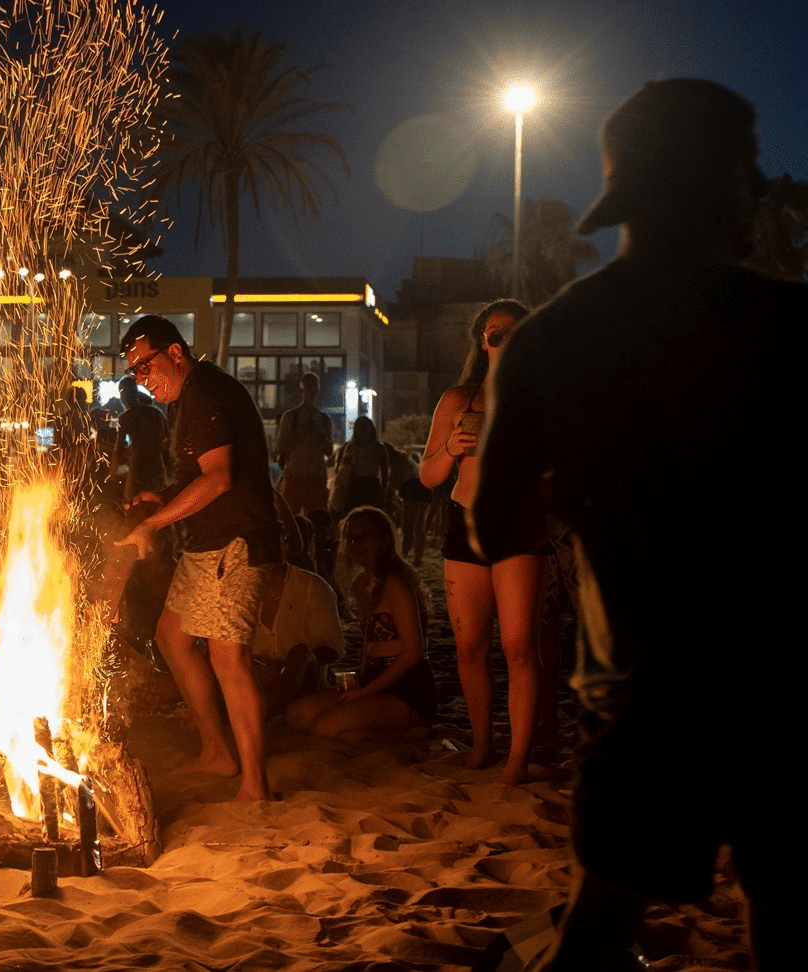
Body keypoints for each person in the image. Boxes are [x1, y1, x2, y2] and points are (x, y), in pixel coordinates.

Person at [473, 79, 801, 970]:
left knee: (601, 923)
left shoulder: (549, 341)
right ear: (698, 184)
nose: (760, 191)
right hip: (787, 699)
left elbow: (492, 524)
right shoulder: (791, 329)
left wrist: (591, 490)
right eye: (745, 172)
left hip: (645, 704)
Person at [113, 315, 284, 802]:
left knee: (230, 659)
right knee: (172, 636)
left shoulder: (207, 393)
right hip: (207, 543)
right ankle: (217, 752)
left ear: (175, 352)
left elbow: (219, 479)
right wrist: (160, 497)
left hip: (238, 541)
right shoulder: (186, 401)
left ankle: (255, 785)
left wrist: (155, 522)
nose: (144, 380)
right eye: (136, 374)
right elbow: (196, 477)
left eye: (147, 366)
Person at [418, 299, 542, 785]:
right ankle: (483, 744)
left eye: (514, 333)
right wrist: (450, 448)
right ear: (482, 342)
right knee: (469, 646)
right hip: (464, 520)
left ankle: (517, 761)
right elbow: (428, 475)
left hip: (518, 525)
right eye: (495, 333)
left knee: (518, 648)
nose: (503, 340)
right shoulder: (458, 400)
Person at [287, 507, 435, 739]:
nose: (356, 543)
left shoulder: (396, 582)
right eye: (350, 537)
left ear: (385, 539)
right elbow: (369, 645)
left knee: (323, 727)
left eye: (365, 535)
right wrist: (358, 682)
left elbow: (414, 652)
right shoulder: (361, 584)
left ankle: (408, 733)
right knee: (296, 714)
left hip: (406, 688)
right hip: (372, 678)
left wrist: (365, 692)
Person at [246, 555, 343, 717]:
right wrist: (255, 667)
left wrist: (287, 667)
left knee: (301, 653)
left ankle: (264, 713)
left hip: (304, 683)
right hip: (256, 680)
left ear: (283, 546)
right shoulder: (244, 591)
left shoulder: (311, 586)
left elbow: (333, 648)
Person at [274, 372, 333, 516]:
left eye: (314, 387)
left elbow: (329, 451)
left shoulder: (324, 419)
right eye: (308, 387)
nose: (312, 391)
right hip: (296, 476)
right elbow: (280, 447)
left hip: (315, 477)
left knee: (316, 518)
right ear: (302, 389)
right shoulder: (291, 417)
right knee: (291, 519)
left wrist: (323, 440)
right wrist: (300, 434)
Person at [113, 376, 169, 505]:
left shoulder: (126, 417)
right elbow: (169, 439)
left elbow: (119, 448)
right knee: (158, 505)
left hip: (138, 469)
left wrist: (113, 470)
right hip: (157, 467)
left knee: (131, 504)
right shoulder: (156, 412)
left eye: (123, 393)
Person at [333, 416, 388, 514]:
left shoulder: (378, 448)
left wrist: (383, 491)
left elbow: (385, 470)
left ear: (371, 429)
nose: (362, 430)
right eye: (360, 427)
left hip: (371, 485)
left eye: (365, 426)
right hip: (354, 485)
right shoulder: (350, 448)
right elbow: (342, 469)